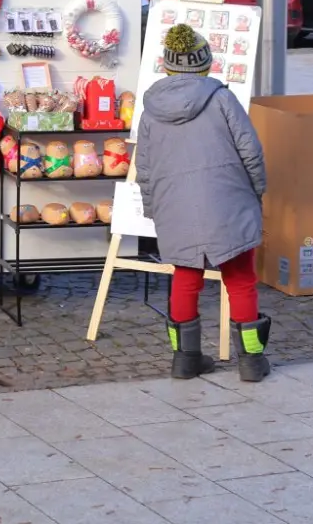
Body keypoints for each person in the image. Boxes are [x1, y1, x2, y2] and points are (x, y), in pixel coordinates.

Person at [134, 23, 271, 382]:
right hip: (227, 201)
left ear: (167, 65)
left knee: (185, 277)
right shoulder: (222, 98)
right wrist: (256, 193)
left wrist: (153, 210)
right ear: (204, 63)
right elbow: (251, 152)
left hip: (174, 207)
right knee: (240, 278)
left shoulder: (150, 110)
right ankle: (252, 363)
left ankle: (185, 360)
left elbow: (144, 169)